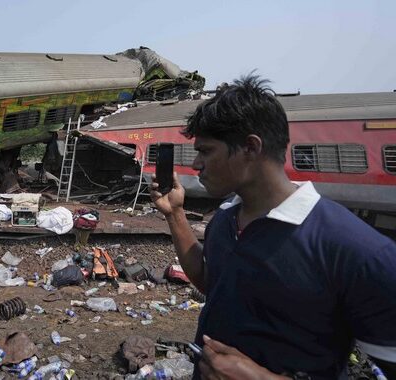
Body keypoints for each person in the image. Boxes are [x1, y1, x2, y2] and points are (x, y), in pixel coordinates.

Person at [150, 74, 396, 379]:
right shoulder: (225, 219)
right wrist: (175, 214)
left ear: (251, 148)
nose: (197, 164)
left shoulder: (359, 252)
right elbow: (212, 282)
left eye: (207, 150)